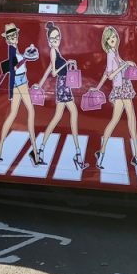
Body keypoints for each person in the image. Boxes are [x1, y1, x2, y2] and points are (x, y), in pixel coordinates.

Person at [36, 22, 88, 169]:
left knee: (58, 117)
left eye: (57, 37)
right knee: (72, 114)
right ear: (48, 40)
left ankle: (40, 151)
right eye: (52, 39)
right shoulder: (53, 51)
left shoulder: (56, 51)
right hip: (62, 85)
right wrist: (67, 64)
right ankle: (77, 156)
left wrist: (40, 84)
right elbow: (54, 72)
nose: (55, 40)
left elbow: (48, 68)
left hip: (63, 85)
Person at [0, 23, 41, 165]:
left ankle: (0, 147)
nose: (14, 38)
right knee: (30, 112)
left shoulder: (15, 49)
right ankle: (35, 152)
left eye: (15, 35)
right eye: (11, 36)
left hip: (21, 80)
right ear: (7, 39)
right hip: (20, 82)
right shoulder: (11, 50)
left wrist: (26, 55)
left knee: (13, 114)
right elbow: (14, 67)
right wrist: (26, 57)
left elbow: (19, 63)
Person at [93, 26, 137, 170]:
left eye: (114, 37)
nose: (113, 40)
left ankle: (102, 153)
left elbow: (106, 72)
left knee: (119, 120)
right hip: (121, 89)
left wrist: (128, 63)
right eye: (110, 38)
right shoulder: (110, 54)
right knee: (129, 120)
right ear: (106, 41)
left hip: (123, 86)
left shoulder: (114, 52)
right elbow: (112, 75)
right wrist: (123, 66)